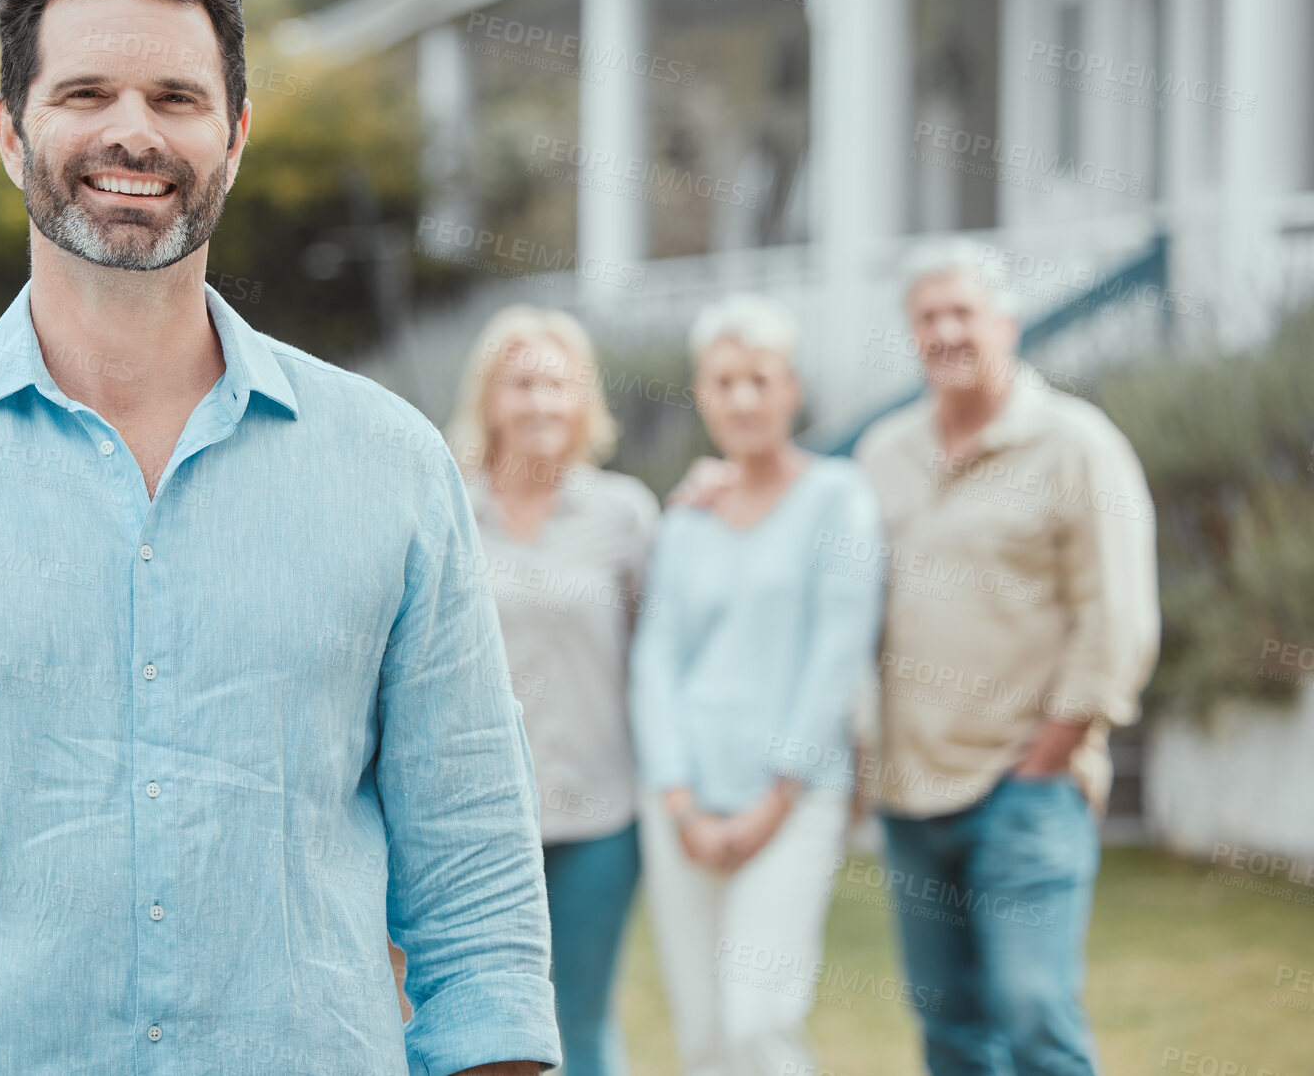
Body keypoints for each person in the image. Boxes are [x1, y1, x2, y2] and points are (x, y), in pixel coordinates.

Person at [0, 0, 558, 1076]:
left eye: (175, 95)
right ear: (12, 133)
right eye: (85, 92)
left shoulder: (394, 468)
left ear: (235, 136)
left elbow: (477, 897)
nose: (131, 131)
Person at [852, 241, 1160, 1076]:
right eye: (928, 316)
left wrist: (1045, 759)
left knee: (1034, 1017)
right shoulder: (883, 453)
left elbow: (1119, 619)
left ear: (1007, 324)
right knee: (950, 1033)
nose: (946, 331)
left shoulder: (1076, 445)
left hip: (1025, 791)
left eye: (964, 312)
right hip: (910, 794)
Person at [629, 294, 885, 1075]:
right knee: (704, 1038)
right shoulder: (686, 520)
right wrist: (677, 799)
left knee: (757, 1024)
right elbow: (654, 663)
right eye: (724, 381)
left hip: (793, 798)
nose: (743, 398)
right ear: (702, 393)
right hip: (681, 805)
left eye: (760, 379)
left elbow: (835, 657)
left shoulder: (838, 500)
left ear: (792, 389)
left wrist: (773, 800)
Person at [445, 306, 660, 1076]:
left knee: (581, 1021)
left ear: (583, 401)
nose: (540, 402)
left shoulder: (626, 515)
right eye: (523, 383)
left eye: (558, 385)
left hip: (599, 811)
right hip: (473, 819)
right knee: (480, 1030)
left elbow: (659, 657)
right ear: (491, 397)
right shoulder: (446, 507)